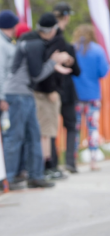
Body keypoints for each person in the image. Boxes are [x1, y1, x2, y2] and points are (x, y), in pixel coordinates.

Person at [2, 13, 72, 189]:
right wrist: (53, 62)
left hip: (24, 92)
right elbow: (36, 74)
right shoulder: (35, 44)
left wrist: (52, 64)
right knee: (17, 135)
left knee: (34, 134)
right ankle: (8, 178)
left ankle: (35, 175)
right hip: (19, 93)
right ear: (52, 30)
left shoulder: (32, 41)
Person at [28, 11, 78, 180]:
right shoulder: (40, 43)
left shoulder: (49, 42)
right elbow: (42, 71)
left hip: (52, 91)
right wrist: (50, 89)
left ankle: (51, 165)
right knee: (45, 131)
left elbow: (72, 69)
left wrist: (66, 62)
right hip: (44, 93)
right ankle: (45, 167)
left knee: (49, 131)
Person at [72, 24, 109, 171]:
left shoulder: (73, 48)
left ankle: (72, 159)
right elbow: (104, 71)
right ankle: (93, 161)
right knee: (92, 128)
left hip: (76, 95)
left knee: (75, 128)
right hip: (93, 95)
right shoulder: (98, 50)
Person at [53, 2, 81, 174]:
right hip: (64, 90)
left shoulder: (47, 41)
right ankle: (69, 160)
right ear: (66, 17)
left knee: (51, 128)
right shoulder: (66, 44)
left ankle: (54, 163)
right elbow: (76, 71)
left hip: (52, 89)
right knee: (70, 126)